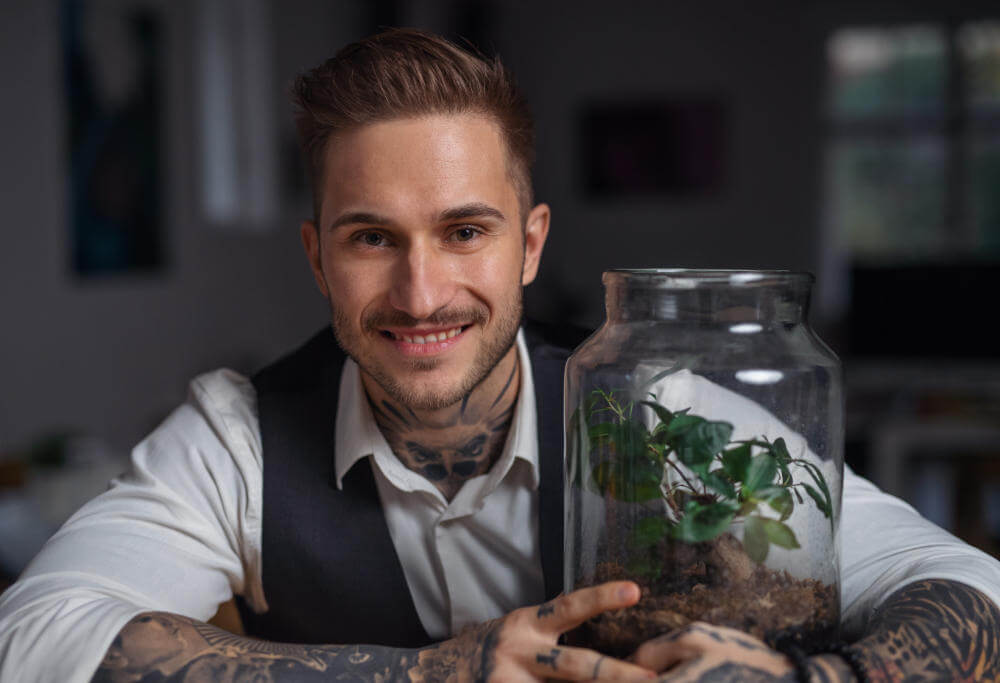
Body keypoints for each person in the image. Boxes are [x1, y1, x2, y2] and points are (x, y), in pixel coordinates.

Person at [1, 27, 999, 683]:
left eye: (464, 231)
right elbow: (33, 634)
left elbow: (967, 586)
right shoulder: (234, 435)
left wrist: (812, 680)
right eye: (371, 237)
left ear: (530, 243)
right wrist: (421, 674)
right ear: (317, 256)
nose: (421, 292)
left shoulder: (660, 405)